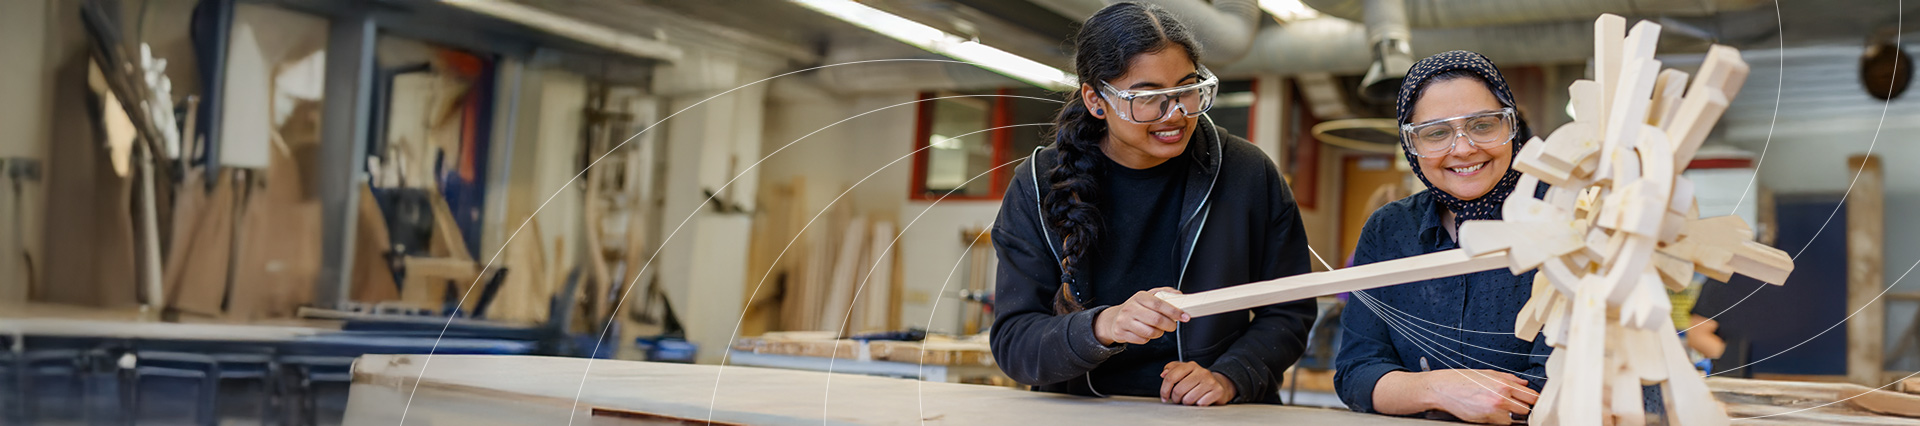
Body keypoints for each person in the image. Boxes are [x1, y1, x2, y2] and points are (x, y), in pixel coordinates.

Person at [989, 1, 1316, 406]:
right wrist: (1101, 325)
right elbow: (1014, 342)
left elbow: (1290, 310)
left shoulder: (1246, 172)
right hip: (1083, 413)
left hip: (1215, 414)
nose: (1175, 113)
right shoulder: (1038, 184)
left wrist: (1231, 376)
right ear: (1095, 100)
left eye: (1187, 90)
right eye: (1148, 98)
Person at [1333, 50, 1550, 424]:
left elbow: (1564, 383)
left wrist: (1406, 391)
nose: (1463, 148)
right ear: (1411, 145)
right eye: (1436, 133)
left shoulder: (1568, 215)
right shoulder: (1388, 230)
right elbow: (1356, 372)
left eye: (1483, 125)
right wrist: (1438, 389)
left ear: (1512, 125)